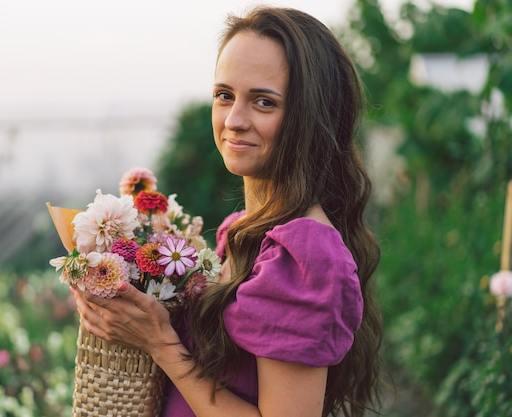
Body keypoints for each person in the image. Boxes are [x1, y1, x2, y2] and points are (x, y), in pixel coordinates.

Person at [71, 6, 383, 417]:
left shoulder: (305, 252)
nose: (234, 120)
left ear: (311, 116)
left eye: (264, 102)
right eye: (224, 95)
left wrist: (160, 342)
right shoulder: (241, 232)